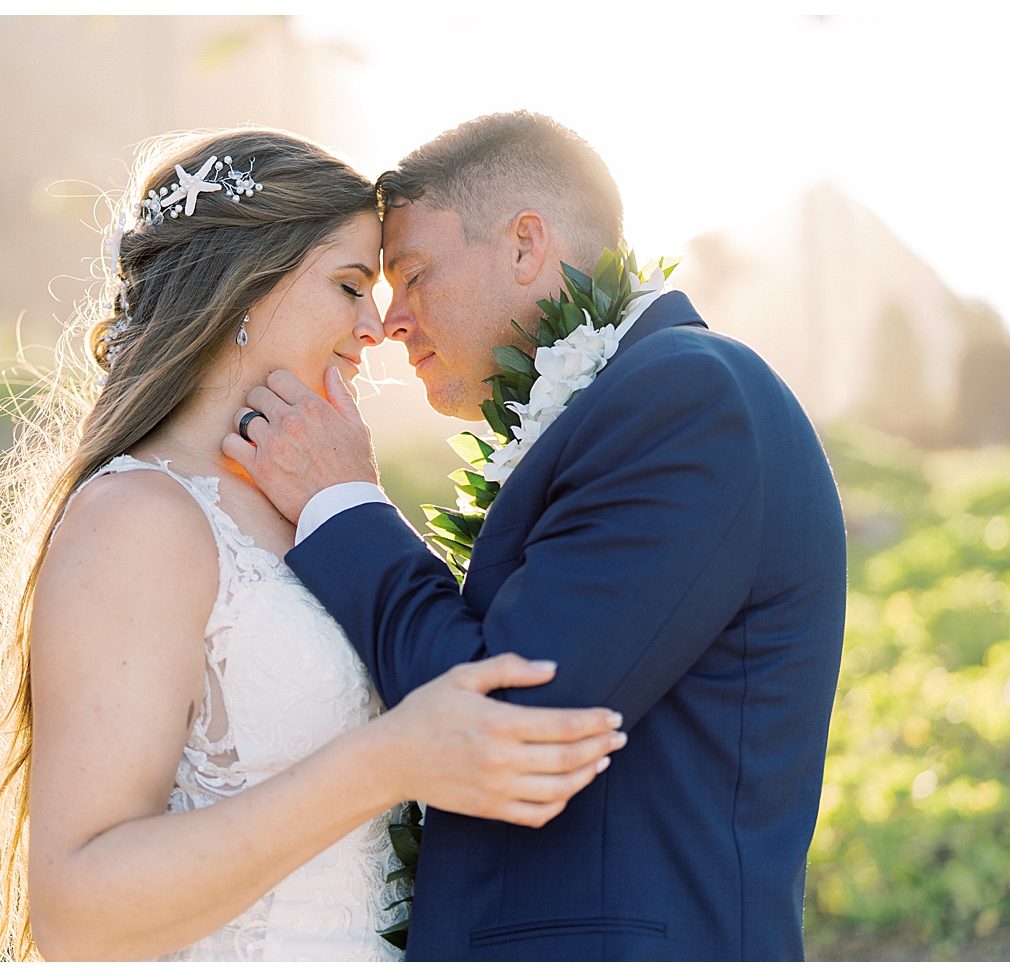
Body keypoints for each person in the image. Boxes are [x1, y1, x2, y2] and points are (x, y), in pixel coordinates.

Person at [0, 127, 624, 963]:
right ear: (247, 290)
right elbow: (76, 908)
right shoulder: (137, 518)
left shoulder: (310, 505)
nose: (376, 328)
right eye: (351, 285)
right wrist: (389, 760)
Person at [226, 111, 848, 961]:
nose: (391, 320)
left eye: (412, 274)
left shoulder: (690, 399)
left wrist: (344, 504)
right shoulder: (622, 406)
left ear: (526, 244)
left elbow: (509, 714)